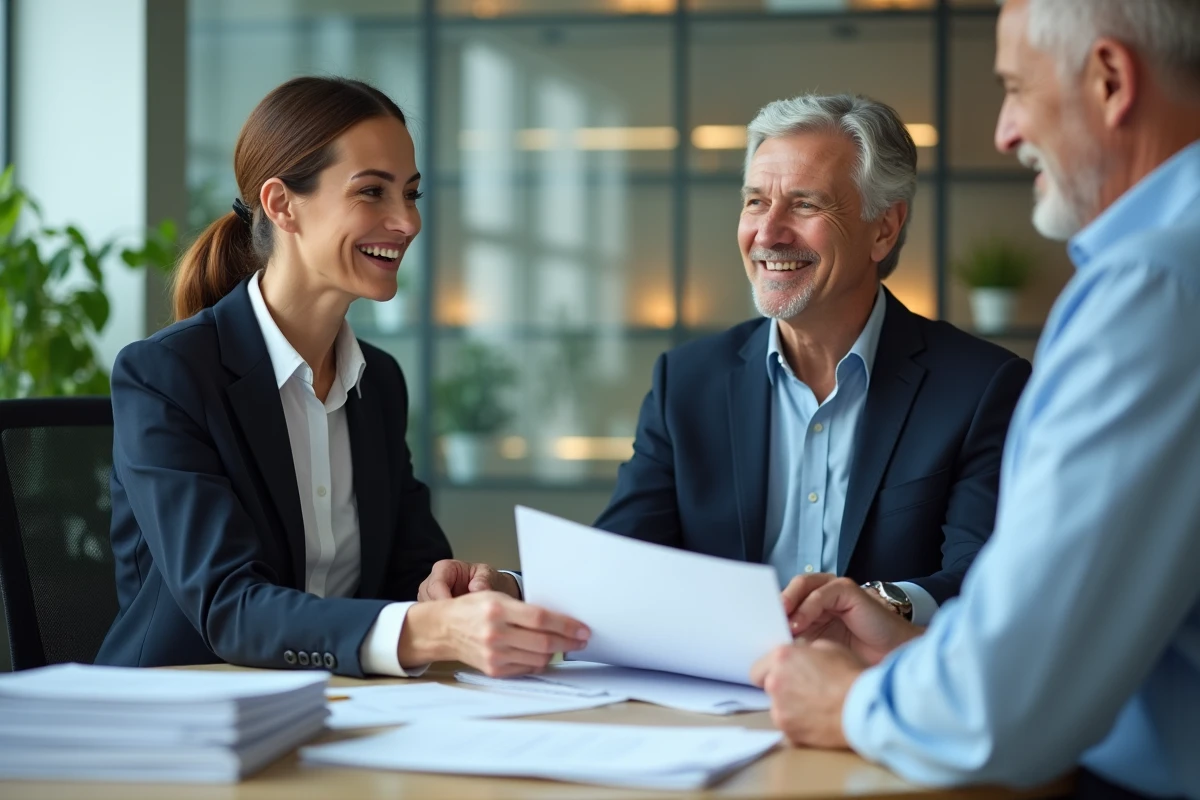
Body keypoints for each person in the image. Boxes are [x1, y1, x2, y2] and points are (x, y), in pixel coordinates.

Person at [750, 2, 1200, 799]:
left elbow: (1001, 709)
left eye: (1016, 88)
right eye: (756, 200)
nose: (1004, 130)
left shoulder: (1154, 284)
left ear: (1109, 80)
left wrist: (847, 700)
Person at [95, 76, 590, 679]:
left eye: (411, 194)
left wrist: (445, 590)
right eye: (372, 193)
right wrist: (421, 630)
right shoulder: (167, 375)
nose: (406, 221)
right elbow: (227, 607)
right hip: (184, 718)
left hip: (343, 712)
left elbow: (407, 571)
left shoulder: (378, 381)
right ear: (281, 205)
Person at [592, 94, 1030, 624]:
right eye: (756, 202)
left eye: (805, 204)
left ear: (884, 229)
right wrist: (511, 585)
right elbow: (619, 560)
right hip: (712, 695)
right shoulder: (685, 381)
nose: (768, 233)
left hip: (871, 691)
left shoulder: (981, 387)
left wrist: (878, 607)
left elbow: (986, 576)